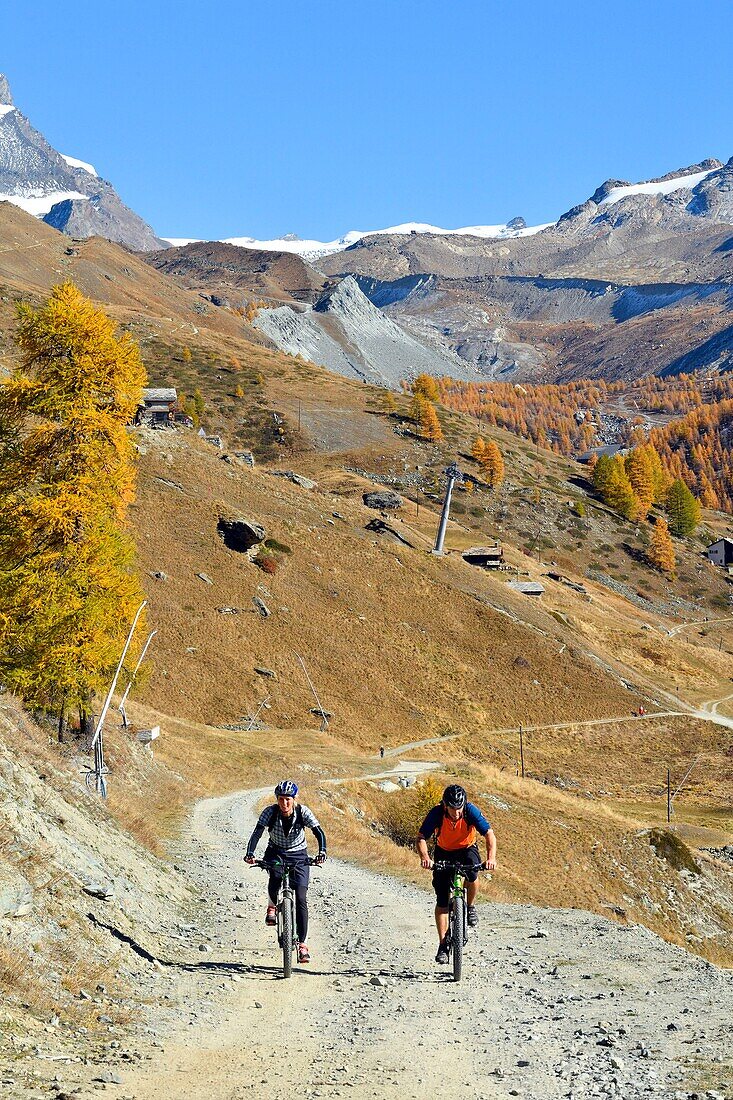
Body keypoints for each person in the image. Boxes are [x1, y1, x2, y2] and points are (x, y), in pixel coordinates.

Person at [245, 780, 326, 964]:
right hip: (276, 852)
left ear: (294, 799)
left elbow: (318, 832)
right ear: (277, 799)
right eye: (281, 799)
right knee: (274, 877)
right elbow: (257, 833)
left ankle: (303, 945)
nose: (285, 803)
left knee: (302, 898)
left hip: (299, 855)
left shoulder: (303, 812)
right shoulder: (270, 812)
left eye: (288, 799)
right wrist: (250, 853)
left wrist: (322, 851)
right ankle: (272, 905)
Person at [416, 784, 497, 965]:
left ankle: (471, 906)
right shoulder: (437, 813)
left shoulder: (470, 811)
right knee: (442, 899)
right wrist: (425, 858)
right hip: (443, 851)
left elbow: (489, 834)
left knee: (473, 872)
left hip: (467, 848)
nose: (456, 812)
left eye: (459, 808)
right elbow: (421, 837)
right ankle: (443, 945)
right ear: (445, 806)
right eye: (452, 808)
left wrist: (491, 858)